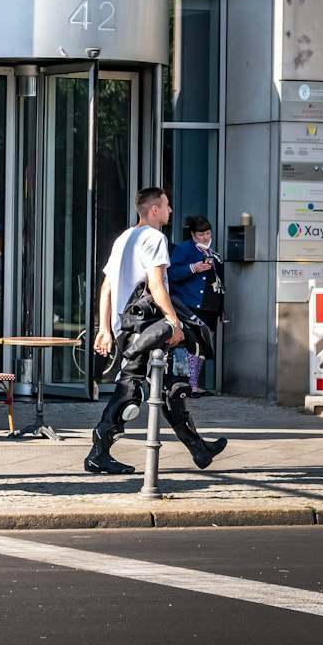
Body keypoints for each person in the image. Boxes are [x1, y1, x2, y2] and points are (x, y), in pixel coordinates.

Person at [88, 187, 227, 475]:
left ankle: (198, 448)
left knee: (170, 386)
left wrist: (105, 328)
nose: (170, 210)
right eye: (166, 205)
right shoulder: (155, 238)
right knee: (129, 390)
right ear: (154, 209)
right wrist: (173, 321)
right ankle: (98, 453)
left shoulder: (124, 238)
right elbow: (157, 285)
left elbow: (107, 287)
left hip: (127, 325)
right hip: (143, 326)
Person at [168, 215, 222, 395]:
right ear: (192, 234)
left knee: (203, 346)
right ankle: (187, 384)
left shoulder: (212, 252)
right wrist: (193, 268)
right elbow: (172, 273)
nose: (206, 237)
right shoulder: (184, 249)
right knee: (193, 344)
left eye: (208, 233)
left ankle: (194, 383)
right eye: (201, 234)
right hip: (190, 304)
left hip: (209, 306)